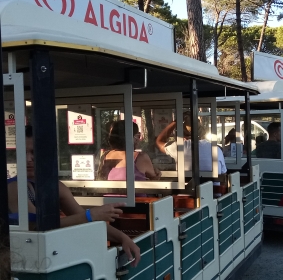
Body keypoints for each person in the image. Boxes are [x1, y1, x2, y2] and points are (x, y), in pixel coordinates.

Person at [7, 126, 141, 266]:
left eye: (34, 152)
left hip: (47, 259)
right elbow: (37, 227)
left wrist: (124, 238)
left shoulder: (55, 186)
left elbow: (87, 221)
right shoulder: (13, 188)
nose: (28, 159)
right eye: (23, 153)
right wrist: (90, 215)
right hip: (21, 263)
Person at [155, 112, 227, 179]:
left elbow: (159, 141)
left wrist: (176, 122)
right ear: (202, 131)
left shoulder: (180, 147)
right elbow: (223, 174)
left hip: (186, 192)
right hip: (211, 192)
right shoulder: (216, 149)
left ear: (182, 133)